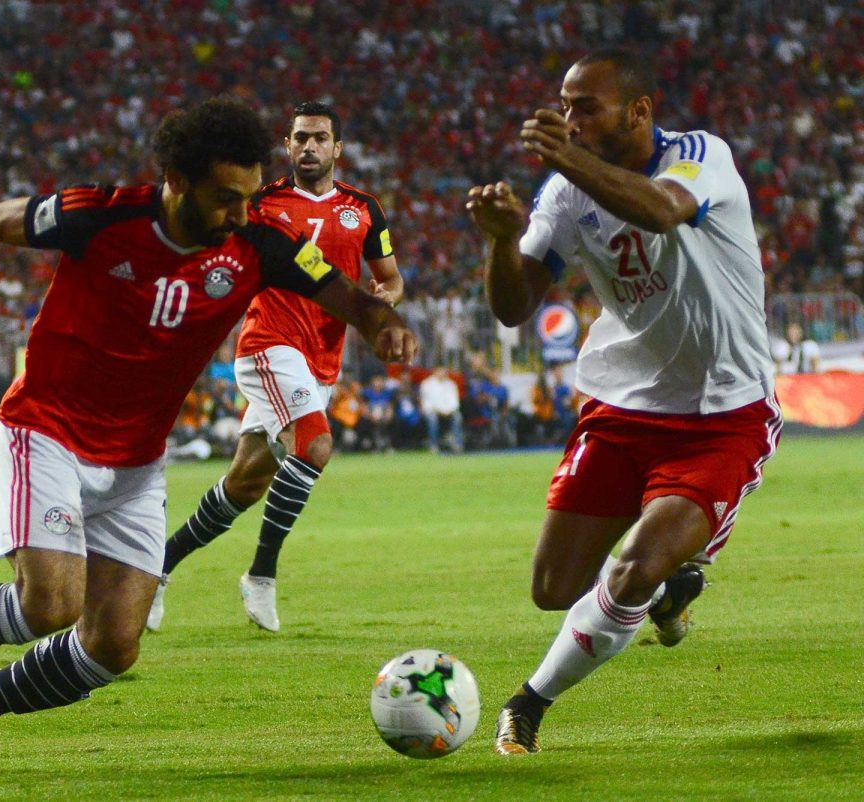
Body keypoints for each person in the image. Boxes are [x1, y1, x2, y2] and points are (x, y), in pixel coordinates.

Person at [0, 97, 416, 773]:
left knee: (114, 645)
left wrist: (382, 325)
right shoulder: (102, 213)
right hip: (47, 428)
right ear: (176, 180)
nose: (240, 214)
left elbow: (353, 299)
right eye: (225, 199)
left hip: (138, 459)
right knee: (49, 604)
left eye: (250, 197)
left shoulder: (260, 242)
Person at [466, 48, 781, 755]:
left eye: (585, 107)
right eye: (564, 104)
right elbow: (516, 306)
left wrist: (568, 161)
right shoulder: (565, 193)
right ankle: (671, 592)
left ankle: (528, 703)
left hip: (722, 414)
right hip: (624, 405)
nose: (569, 119)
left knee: (633, 567)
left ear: (638, 112)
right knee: (554, 587)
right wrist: (498, 243)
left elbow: (664, 210)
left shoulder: (701, 155)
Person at [147, 101, 402, 633]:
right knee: (315, 446)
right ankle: (262, 574)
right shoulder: (260, 203)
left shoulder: (364, 209)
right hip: (269, 343)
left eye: (320, 138)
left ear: (338, 148)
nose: (310, 147)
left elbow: (391, 278)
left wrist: (387, 296)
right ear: (287, 146)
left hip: (322, 360)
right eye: (300, 138)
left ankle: (157, 568)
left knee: (244, 483)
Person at [419, 366, 464, 453]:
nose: (442, 373)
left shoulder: (451, 384)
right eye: (440, 371)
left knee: (458, 417)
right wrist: (438, 411)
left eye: (444, 371)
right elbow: (427, 403)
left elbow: (454, 401)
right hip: (433, 411)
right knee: (432, 419)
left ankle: (457, 444)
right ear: (435, 371)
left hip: (448, 412)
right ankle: (433, 445)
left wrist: (449, 411)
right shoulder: (427, 384)